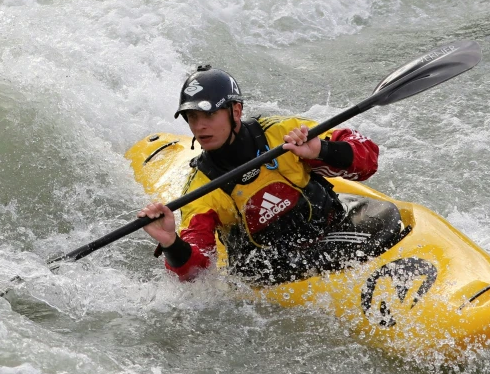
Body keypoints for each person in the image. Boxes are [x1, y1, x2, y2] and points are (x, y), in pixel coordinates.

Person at [138, 65, 403, 285]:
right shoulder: (202, 190)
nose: (199, 126)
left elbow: (368, 158)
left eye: (208, 114)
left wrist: (319, 149)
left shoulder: (281, 134)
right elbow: (197, 274)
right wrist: (172, 243)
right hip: (273, 271)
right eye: (192, 117)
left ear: (236, 111)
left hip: (328, 231)